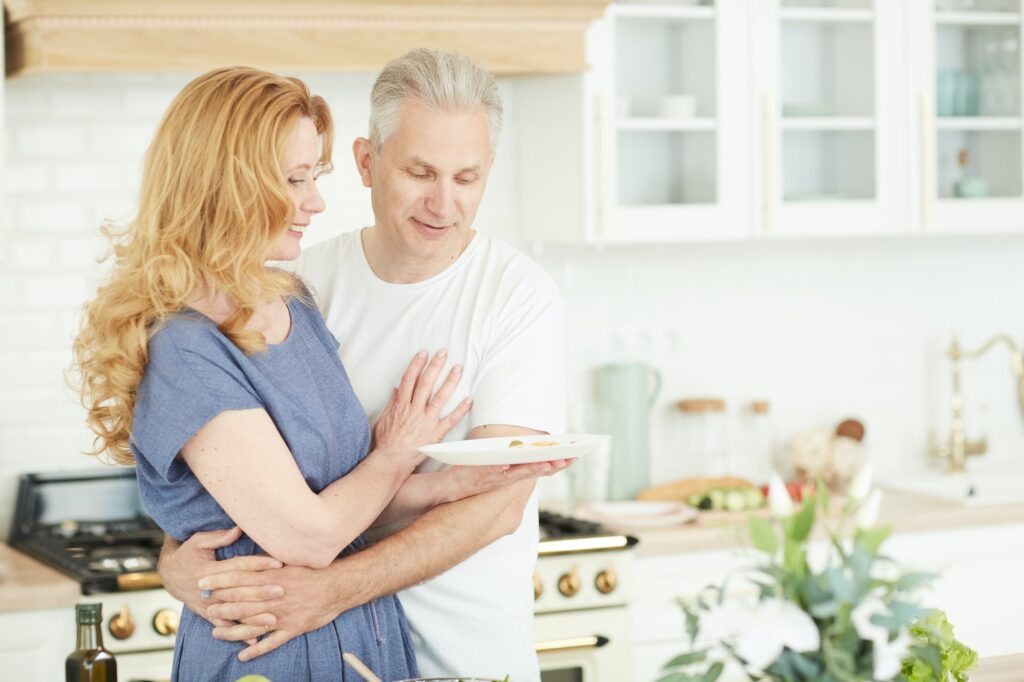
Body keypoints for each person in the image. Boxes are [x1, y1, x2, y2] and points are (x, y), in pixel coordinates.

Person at [70, 65, 559, 682]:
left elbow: (487, 507)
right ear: (367, 162)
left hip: (410, 647)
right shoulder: (285, 294)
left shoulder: (506, 293)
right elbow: (282, 519)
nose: (445, 202)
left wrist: (445, 485)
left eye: (467, 178)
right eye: (419, 172)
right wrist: (176, 559)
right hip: (281, 645)